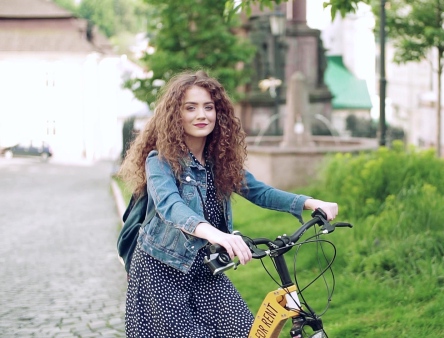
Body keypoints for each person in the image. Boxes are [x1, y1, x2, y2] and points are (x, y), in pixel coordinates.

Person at [117, 69, 338, 337]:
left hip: (205, 270)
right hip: (161, 271)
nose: (202, 115)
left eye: (208, 107)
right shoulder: (159, 161)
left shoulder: (218, 162)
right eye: (191, 108)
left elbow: (260, 192)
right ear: (176, 115)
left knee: (248, 331)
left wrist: (310, 202)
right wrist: (217, 234)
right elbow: (170, 206)